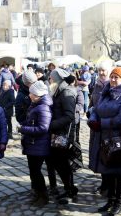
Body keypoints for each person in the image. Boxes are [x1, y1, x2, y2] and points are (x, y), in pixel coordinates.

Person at [88, 67, 121, 215]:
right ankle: (110, 199)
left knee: (120, 173)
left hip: (120, 140)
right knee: (107, 172)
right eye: (112, 77)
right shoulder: (106, 92)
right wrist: (93, 119)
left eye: (117, 77)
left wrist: (101, 124)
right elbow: (96, 109)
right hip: (104, 139)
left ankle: (119, 202)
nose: (113, 80)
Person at [17, 81, 53, 207]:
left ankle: (43, 196)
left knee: (36, 172)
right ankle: (38, 194)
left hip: (39, 145)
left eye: (31, 93)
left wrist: (22, 129)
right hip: (33, 143)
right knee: (33, 172)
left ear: (37, 94)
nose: (29, 95)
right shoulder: (36, 104)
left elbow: (43, 128)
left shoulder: (43, 107)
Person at [49, 68, 78, 204]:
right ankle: (69, 187)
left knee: (63, 163)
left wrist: (51, 124)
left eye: (51, 79)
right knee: (58, 163)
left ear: (57, 80)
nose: (50, 81)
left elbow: (69, 116)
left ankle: (70, 189)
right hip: (58, 132)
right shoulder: (58, 90)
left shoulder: (66, 92)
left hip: (63, 134)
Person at [88, 60, 113, 196]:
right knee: (98, 155)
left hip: (107, 126)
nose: (101, 73)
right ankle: (104, 184)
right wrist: (89, 110)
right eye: (99, 71)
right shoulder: (97, 85)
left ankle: (109, 186)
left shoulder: (112, 85)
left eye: (104, 70)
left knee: (107, 155)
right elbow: (92, 101)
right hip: (96, 126)